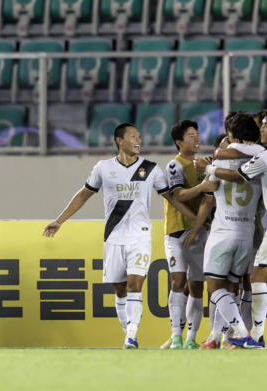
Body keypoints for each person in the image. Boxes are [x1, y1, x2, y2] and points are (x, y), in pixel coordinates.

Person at [42, 123, 197, 349]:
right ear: (119, 140)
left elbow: (171, 198)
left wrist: (197, 219)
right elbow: (84, 194)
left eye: (140, 136)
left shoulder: (150, 169)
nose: (138, 140)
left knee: (135, 285)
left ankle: (131, 336)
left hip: (140, 237)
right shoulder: (103, 168)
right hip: (114, 237)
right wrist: (60, 220)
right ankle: (129, 335)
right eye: (133, 136)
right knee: (120, 289)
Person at [196, 108, 267, 349]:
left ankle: (254, 336)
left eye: (266, 125)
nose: (262, 129)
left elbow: (237, 176)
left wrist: (209, 168)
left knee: (257, 278)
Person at [184, 112, 264, 349]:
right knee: (231, 287)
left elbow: (209, 198)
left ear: (230, 134)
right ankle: (216, 338)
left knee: (214, 288)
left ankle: (241, 333)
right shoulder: (262, 161)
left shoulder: (216, 163)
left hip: (222, 232)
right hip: (246, 234)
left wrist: (208, 166)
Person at [162, 120, 220, 349]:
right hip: (176, 232)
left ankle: (191, 339)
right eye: (190, 135)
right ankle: (176, 335)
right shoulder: (174, 166)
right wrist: (201, 187)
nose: (196, 138)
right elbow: (177, 196)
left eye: (197, 134)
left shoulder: (202, 165)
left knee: (197, 286)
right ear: (179, 142)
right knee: (178, 281)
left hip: (201, 231)